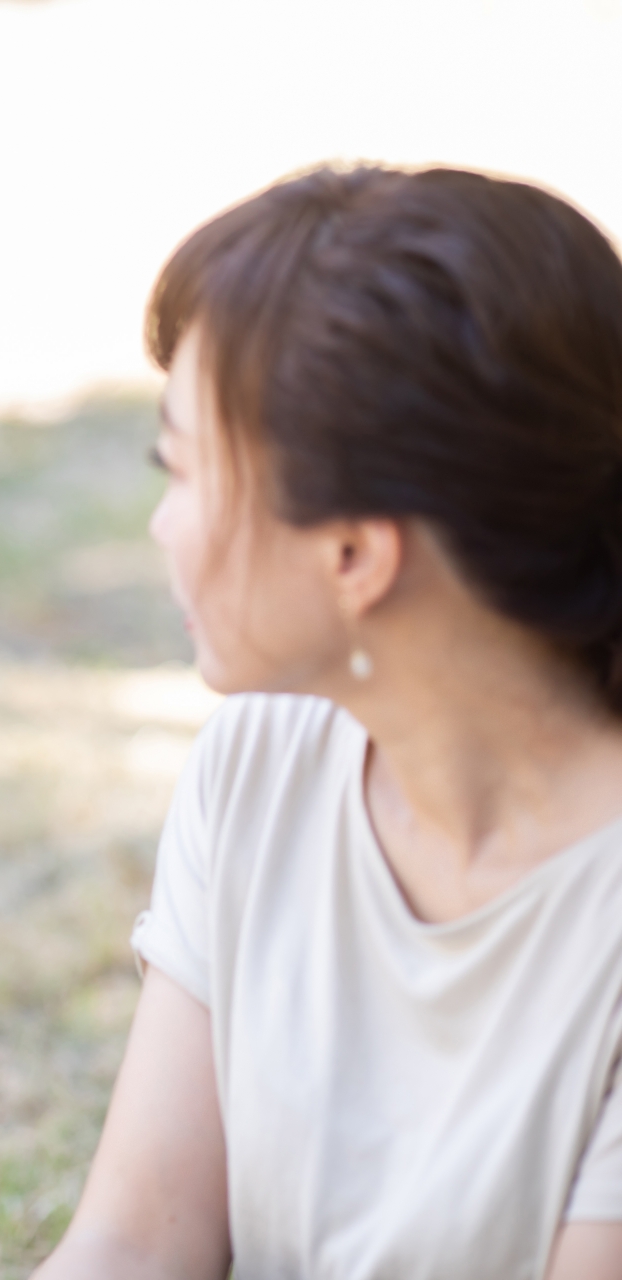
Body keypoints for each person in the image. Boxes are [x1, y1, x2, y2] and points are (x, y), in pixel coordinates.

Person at [34, 165, 622, 1280]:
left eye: (186, 471)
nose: (163, 526)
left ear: (355, 555)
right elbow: (137, 1236)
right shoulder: (262, 760)